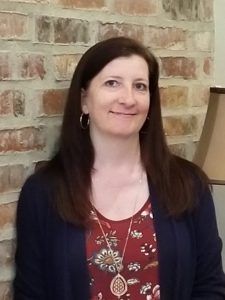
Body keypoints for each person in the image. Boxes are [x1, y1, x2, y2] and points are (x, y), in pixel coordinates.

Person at [14, 36, 225, 300]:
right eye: (112, 83)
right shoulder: (43, 193)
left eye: (140, 86)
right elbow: (30, 293)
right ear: (84, 101)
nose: (128, 99)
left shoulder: (188, 184)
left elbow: (210, 287)